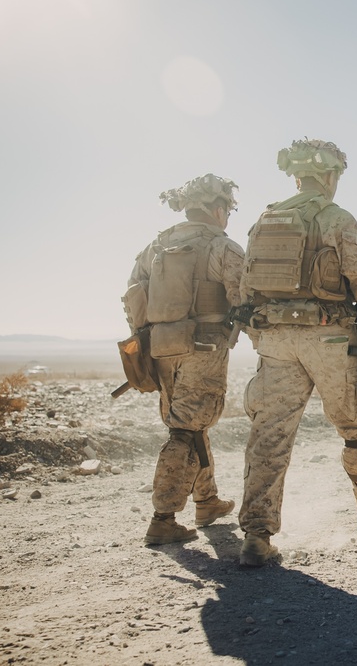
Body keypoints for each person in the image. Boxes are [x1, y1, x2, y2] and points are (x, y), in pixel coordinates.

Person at [237, 139, 357, 566]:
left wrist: (264, 339)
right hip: (329, 340)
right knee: (354, 427)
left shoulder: (264, 219)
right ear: (329, 177)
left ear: (297, 176)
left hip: (275, 341)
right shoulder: (336, 219)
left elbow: (245, 291)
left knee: (269, 435)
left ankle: (256, 534)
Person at [124, 174, 242, 545]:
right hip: (204, 350)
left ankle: (206, 501)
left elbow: (132, 296)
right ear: (218, 208)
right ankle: (163, 518)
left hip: (162, 350)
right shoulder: (223, 247)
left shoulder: (156, 245)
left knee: (190, 423)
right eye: (228, 211)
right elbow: (244, 298)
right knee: (186, 430)